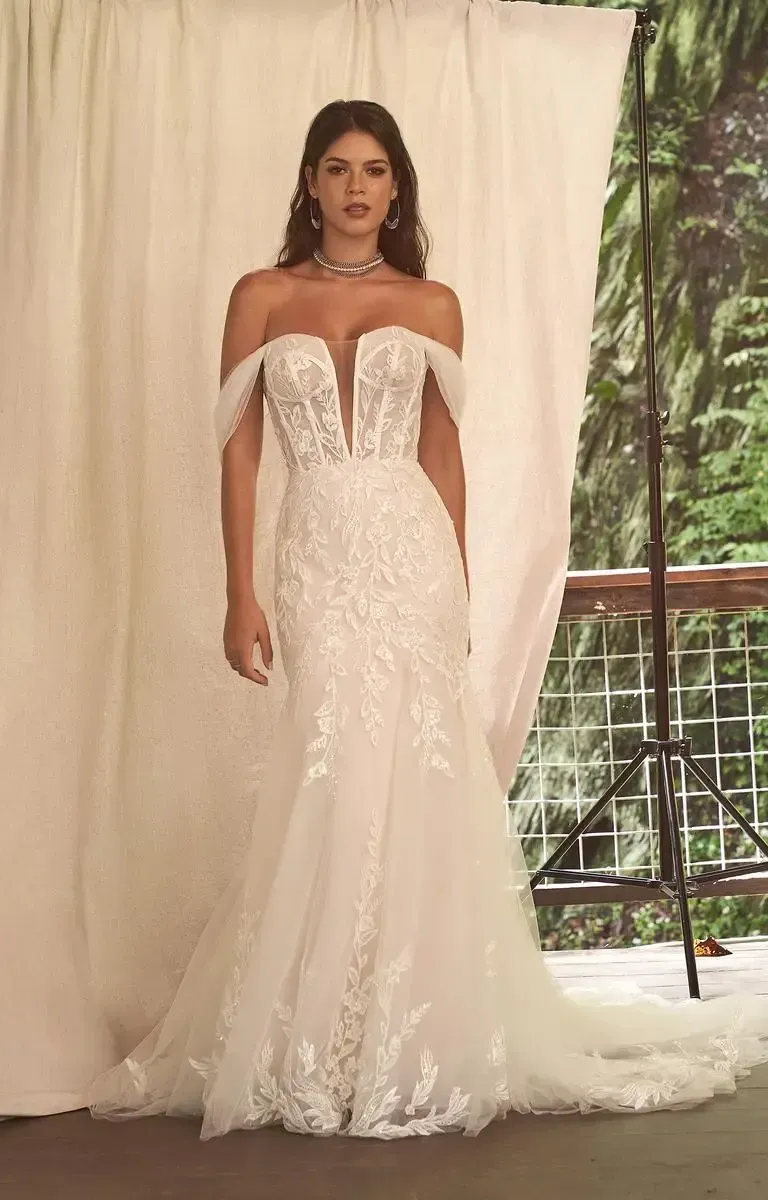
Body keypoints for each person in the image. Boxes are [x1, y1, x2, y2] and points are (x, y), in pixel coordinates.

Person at [86, 100, 768, 1141]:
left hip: (409, 556)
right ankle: (319, 1031)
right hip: (318, 550)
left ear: (394, 186)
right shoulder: (259, 296)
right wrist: (240, 590)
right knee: (331, 765)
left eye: (372, 169)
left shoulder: (433, 303)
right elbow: (238, 450)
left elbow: (443, 454)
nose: (354, 187)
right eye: (334, 168)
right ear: (308, 183)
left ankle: (413, 1028)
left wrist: (456, 583)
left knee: (414, 771)